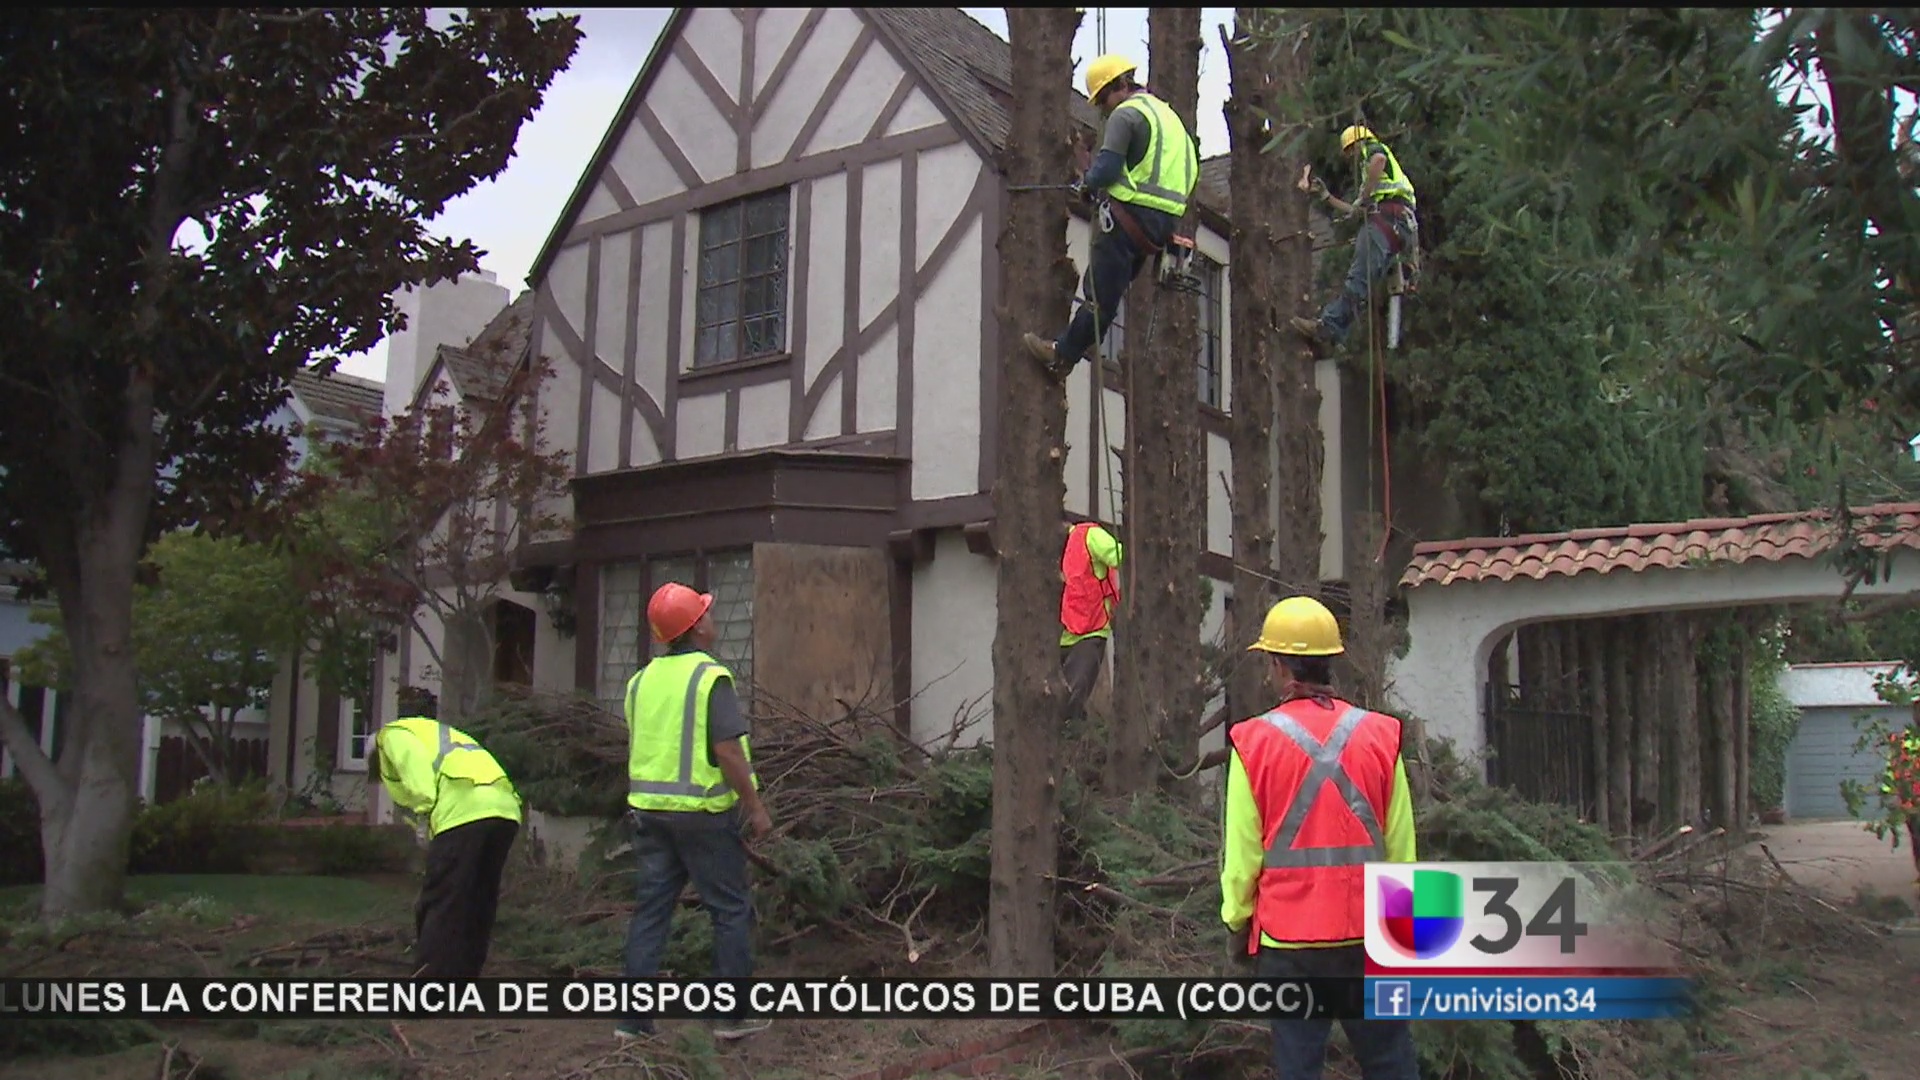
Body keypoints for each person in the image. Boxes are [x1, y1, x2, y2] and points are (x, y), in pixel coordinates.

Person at [1220, 596, 1419, 1080]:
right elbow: (1402, 848)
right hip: (1371, 936)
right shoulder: (1381, 734)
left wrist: (1237, 922)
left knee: (1298, 1067)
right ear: (1331, 661)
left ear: (1278, 665)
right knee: (1391, 1062)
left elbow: (1244, 856)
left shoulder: (1252, 742)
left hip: (1289, 941)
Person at [617, 581, 774, 1043]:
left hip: (649, 815)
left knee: (651, 913)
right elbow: (727, 751)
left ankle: (632, 1022)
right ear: (696, 627)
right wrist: (755, 808)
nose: (711, 617)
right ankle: (729, 1017)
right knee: (730, 910)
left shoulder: (641, 681)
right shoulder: (710, 678)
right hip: (702, 816)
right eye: (705, 612)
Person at [1023, 53, 1199, 382]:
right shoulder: (1170, 119)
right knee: (1109, 291)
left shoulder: (1126, 115)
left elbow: (1106, 170)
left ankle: (1061, 355)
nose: (1103, 109)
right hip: (1161, 227)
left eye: (1103, 99)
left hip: (1129, 219)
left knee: (1099, 298)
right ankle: (1074, 346)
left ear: (1121, 84)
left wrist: (1087, 185)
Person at [373, 693, 523, 980]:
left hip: (463, 815)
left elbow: (419, 781)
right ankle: (465, 977)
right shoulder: (443, 734)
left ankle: (428, 984)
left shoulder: (392, 736)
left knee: (441, 901)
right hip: (504, 812)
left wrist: (423, 816)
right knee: (478, 900)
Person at [1290, 125, 1419, 350]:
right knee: (1362, 284)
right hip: (1396, 225)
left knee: (1358, 278)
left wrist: (1366, 196)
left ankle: (1329, 326)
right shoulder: (1374, 183)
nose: (1351, 159)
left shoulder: (1372, 149)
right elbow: (1355, 211)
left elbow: (1378, 160)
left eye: (1350, 152)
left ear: (1356, 144)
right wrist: (1327, 196)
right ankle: (1335, 330)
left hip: (1388, 220)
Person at [1060, 519, 1123, 721]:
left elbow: (1121, 555)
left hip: (1089, 632)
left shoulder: (1089, 535)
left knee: (1072, 699)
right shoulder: (1040, 548)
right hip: (1059, 637)